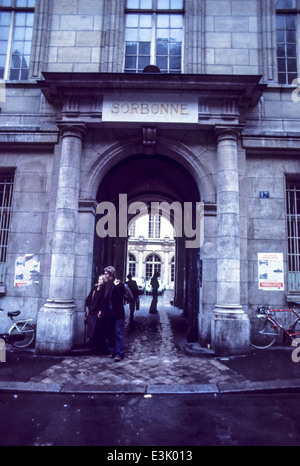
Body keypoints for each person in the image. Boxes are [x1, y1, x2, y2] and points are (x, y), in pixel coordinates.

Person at [102, 266, 126, 362]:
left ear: (111, 274)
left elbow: (122, 296)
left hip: (118, 312)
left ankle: (119, 353)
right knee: (111, 332)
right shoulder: (107, 285)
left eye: (107, 274)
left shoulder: (119, 284)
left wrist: (116, 286)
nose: (105, 275)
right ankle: (112, 351)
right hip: (109, 313)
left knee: (118, 332)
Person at [85, 275, 108, 354]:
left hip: (99, 314)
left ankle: (100, 349)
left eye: (101, 279)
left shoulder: (104, 290)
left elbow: (105, 302)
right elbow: (88, 300)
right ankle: (94, 347)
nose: (99, 280)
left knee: (99, 332)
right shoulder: (94, 289)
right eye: (99, 279)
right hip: (92, 313)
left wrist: (101, 311)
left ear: (104, 281)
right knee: (92, 332)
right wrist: (90, 307)